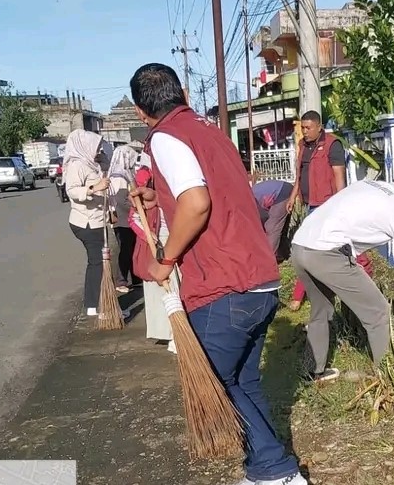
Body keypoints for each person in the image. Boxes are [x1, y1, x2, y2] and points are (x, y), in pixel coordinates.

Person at [127, 63, 305, 485]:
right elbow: (212, 192)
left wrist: (166, 259)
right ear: (183, 92)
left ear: (140, 112)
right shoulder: (207, 130)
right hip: (259, 277)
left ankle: (279, 472)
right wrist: (158, 195)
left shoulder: (166, 136)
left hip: (225, 285)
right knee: (243, 380)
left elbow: (197, 202)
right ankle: (266, 469)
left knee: (215, 381)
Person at [290, 163, 394, 382]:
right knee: (378, 311)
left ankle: (313, 371)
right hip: (327, 252)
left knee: (321, 308)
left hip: (300, 245)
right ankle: (389, 378)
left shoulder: (367, 185)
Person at [286, 111, 348, 311]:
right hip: (309, 204)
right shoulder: (303, 145)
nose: (304, 132)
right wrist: (293, 195)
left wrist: (341, 204)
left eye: (308, 128)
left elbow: (339, 176)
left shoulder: (332, 145)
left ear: (319, 127)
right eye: (302, 128)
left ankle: (298, 296)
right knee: (315, 248)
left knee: (308, 247)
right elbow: (300, 174)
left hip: (326, 205)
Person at [63, 129, 117, 318]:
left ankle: (95, 304)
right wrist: (94, 188)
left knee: (98, 262)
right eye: (95, 147)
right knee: (98, 262)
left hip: (97, 220)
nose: (98, 150)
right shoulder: (77, 165)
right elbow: (72, 191)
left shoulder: (92, 164)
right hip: (86, 222)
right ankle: (97, 306)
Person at [129, 155, 174, 352]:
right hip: (157, 238)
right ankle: (170, 332)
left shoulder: (174, 172)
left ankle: (179, 331)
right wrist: (150, 236)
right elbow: (134, 215)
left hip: (177, 234)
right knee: (163, 288)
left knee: (177, 287)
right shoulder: (144, 176)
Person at [108, 143, 141, 292]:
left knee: (132, 248)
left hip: (123, 218)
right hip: (123, 219)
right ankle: (121, 281)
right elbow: (122, 200)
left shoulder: (116, 174)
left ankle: (135, 278)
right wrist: (137, 209)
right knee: (125, 249)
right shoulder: (120, 176)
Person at [252, 179, 294, 261]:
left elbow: (263, 217)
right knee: (278, 227)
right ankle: (282, 254)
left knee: (272, 228)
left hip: (282, 192)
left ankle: (268, 260)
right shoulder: (247, 197)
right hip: (278, 190)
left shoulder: (249, 199)